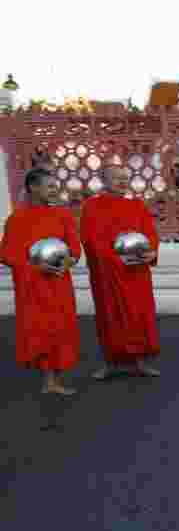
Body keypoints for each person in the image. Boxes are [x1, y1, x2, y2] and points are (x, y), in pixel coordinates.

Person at [0, 168, 81, 398]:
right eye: (50, 186)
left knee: (61, 328)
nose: (55, 191)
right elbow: (6, 254)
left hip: (58, 281)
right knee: (41, 329)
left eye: (56, 186)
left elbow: (74, 247)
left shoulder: (63, 216)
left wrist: (70, 261)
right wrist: (35, 267)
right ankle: (49, 379)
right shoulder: (17, 219)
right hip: (33, 285)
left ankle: (55, 378)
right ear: (33, 188)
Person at [80, 166, 161, 380]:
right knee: (110, 315)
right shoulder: (92, 206)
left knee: (138, 314)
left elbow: (150, 234)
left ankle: (140, 362)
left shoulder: (136, 205)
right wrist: (114, 259)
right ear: (104, 180)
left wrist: (151, 252)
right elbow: (90, 238)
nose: (122, 182)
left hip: (136, 270)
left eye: (125, 178)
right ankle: (110, 363)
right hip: (108, 272)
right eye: (116, 178)